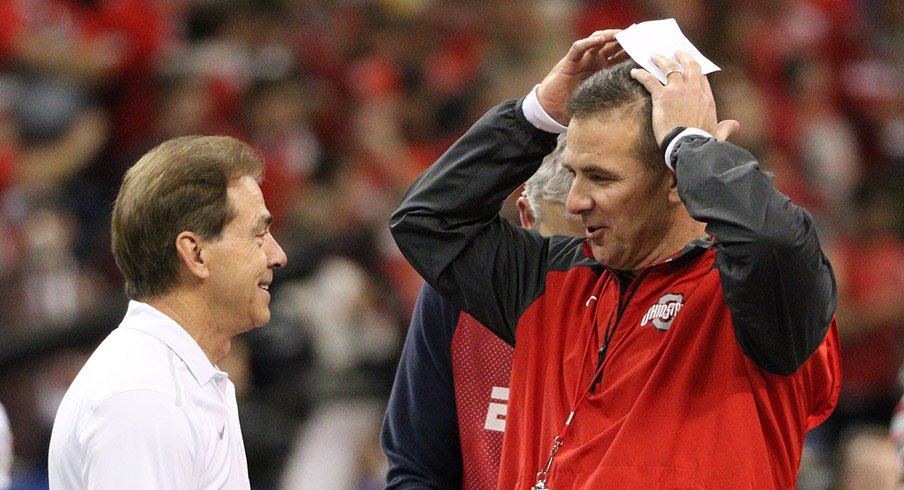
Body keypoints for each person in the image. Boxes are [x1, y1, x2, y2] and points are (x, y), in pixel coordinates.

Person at [390, 29, 841, 488]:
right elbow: (426, 222)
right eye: (574, 175)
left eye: (601, 178)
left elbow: (775, 242)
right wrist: (538, 115)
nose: (575, 201)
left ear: (675, 181)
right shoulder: (551, 282)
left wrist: (691, 145)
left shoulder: (757, 302)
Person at [47, 135, 288, 489]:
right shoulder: (146, 397)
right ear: (195, 253)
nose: (278, 255)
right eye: (259, 234)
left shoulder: (180, 380)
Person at [382, 135, 585, 489]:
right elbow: (415, 468)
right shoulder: (456, 296)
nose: (579, 273)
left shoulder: (655, 308)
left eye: (592, 249)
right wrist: (534, 115)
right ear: (526, 217)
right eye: (561, 251)